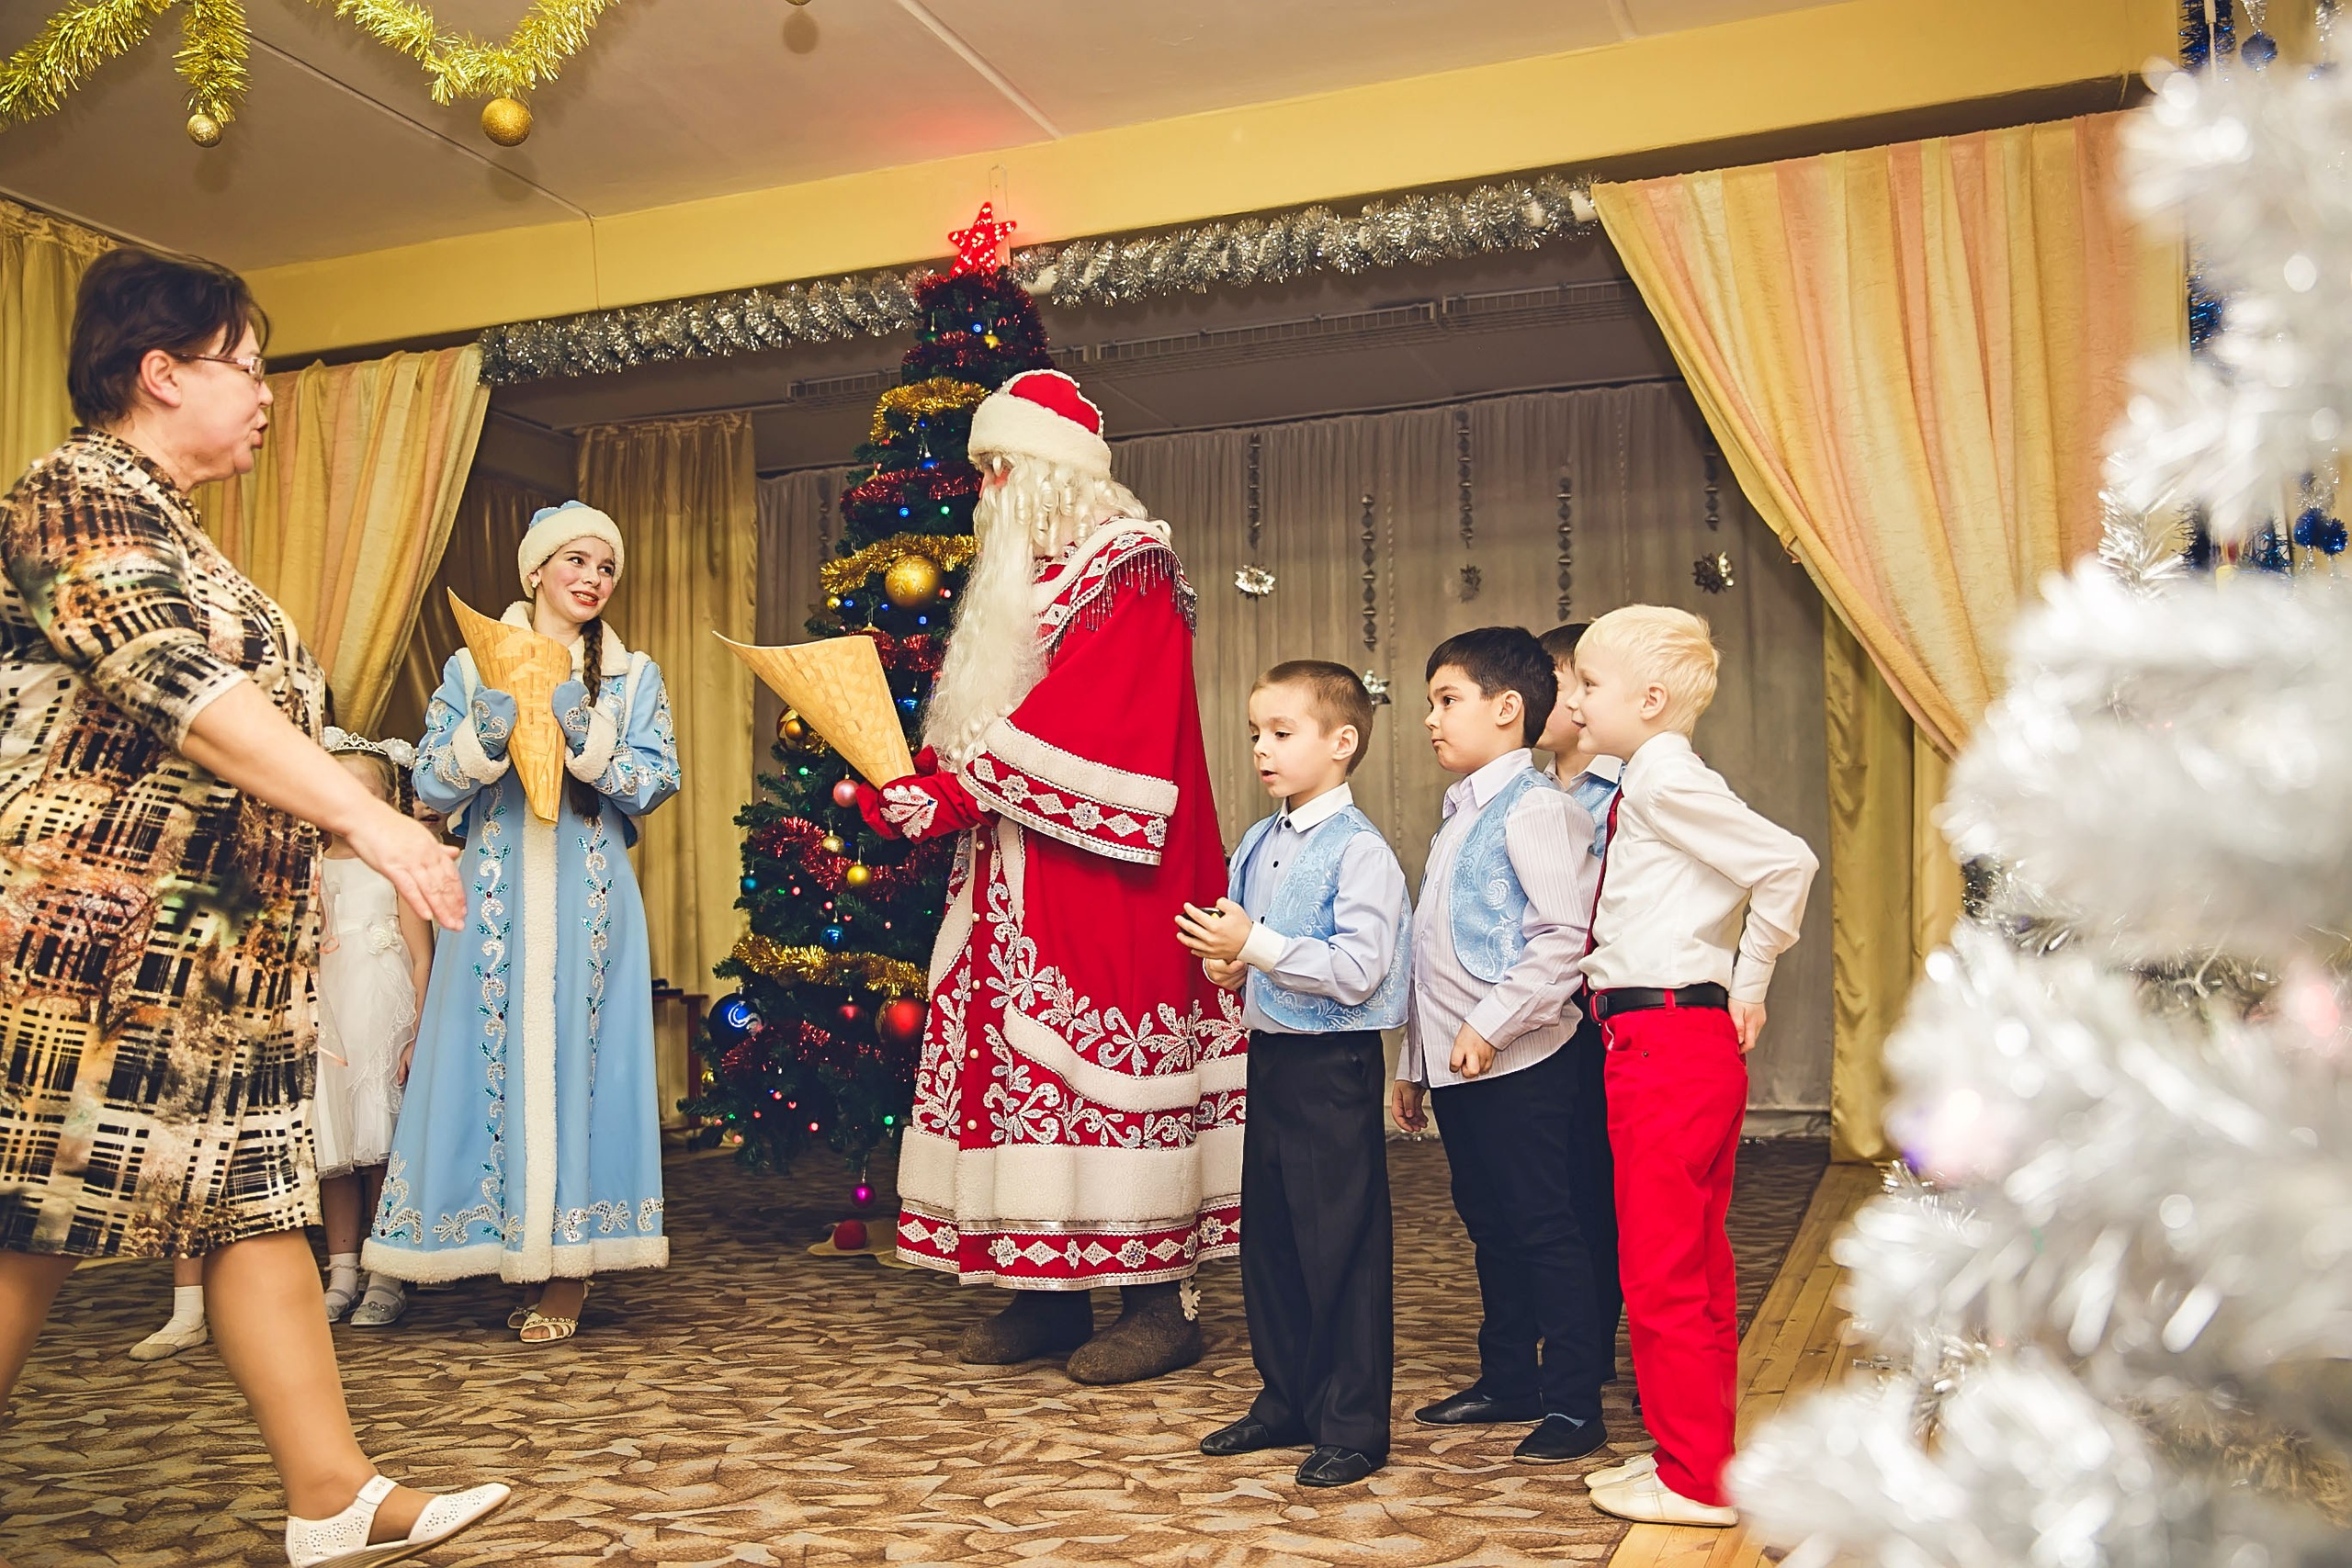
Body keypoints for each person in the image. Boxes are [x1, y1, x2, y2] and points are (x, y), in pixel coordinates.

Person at [0, 246, 505, 1565]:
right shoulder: (71, 495)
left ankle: (333, 1490)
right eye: (247, 363)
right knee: (22, 1220)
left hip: (212, 950)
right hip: (82, 945)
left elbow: (276, 716)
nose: (265, 393)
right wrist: (370, 818)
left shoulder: (189, 537)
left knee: (250, 1205)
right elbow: (169, 682)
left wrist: (381, 794)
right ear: (158, 373)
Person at [858, 368, 1241, 1385]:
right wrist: (933, 788)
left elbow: (1096, 716)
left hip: (1108, 876)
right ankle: (1048, 1292)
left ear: (1051, 474)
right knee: (1022, 1076)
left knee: (1103, 1074)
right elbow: (997, 721)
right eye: (981, 471)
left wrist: (961, 790)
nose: (984, 492)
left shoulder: (1130, 566)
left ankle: (1158, 1303)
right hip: (1015, 873)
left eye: (999, 470)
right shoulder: (1022, 583)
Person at [364, 503, 679, 1344]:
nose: (591, 578)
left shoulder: (632, 673)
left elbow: (655, 780)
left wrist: (588, 734)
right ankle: (494, 1244)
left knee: (582, 1064)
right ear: (534, 570)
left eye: (605, 567)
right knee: (481, 1059)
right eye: (573, 560)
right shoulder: (472, 666)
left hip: (591, 901)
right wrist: (483, 733)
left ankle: (568, 1275)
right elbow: (431, 786)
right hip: (492, 901)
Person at [1566, 605, 1818, 1527]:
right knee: (1694, 1268)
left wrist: (1749, 984)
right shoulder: (1652, 777)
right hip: (1665, 1040)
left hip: (1666, 1043)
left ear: (1652, 699)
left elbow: (1787, 863)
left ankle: (1696, 1482)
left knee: (1663, 1272)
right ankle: (1695, 1455)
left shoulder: (1665, 779)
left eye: (1588, 684)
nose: (1574, 697)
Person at [1179, 661, 1408, 1489]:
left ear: (1342, 743)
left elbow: (1361, 969)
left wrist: (1258, 947)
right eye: (1254, 734)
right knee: (1271, 1237)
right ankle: (1286, 1399)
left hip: (1334, 1066)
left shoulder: (1363, 851)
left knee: (1340, 1243)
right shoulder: (1258, 840)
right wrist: (1228, 966)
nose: (1262, 750)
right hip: (1271, 1056)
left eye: (1282, 733)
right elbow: (1248, 952)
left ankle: (1353, 1423)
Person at [1390, 626, 1613, 1465]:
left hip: (1523, 1060)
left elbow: (1562, 938)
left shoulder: (1539, 808)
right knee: (1489, 1224)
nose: (1431, 720)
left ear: (1508, 707)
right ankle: (1508, 1375)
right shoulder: (1459, 816)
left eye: (1448, 700)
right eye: (1431, 703)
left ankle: (1573, 1401)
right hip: (1460, 1068)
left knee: (1546, 1226)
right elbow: (1433, 953)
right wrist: (1415, 1063)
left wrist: (1490, 1024)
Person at [314, 730, 434, 1331]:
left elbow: (420, 954)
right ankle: (341, 1274)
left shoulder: (393, 864)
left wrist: (417, 1031)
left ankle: (387, 1273)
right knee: (335, 1151)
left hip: (382, 1013)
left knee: (380, 1144)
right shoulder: (308, 867)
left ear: (388, 802)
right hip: (330, 1016)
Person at [1535, 622, 1623, 1392]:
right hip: (1534, 1021)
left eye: (1553, 680)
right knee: (1542, 1188)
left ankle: (1589, 1356)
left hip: (1600, 1013)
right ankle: (1552, 1347)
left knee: (1597, 1189)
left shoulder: (1633, 790)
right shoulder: (1519, 792)